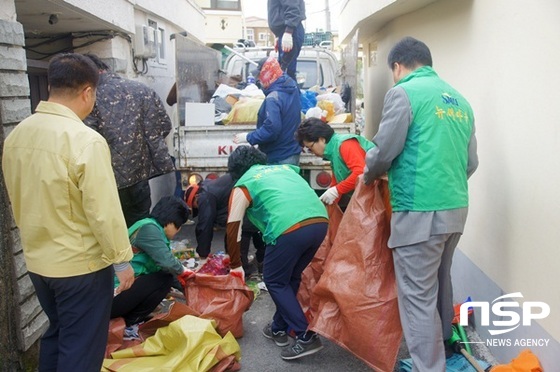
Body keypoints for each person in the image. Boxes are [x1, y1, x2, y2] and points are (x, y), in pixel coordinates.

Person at [2, 53, 134, 371]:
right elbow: (103, 210)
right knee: (81, 348)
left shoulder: (17, 135)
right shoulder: (85, 140)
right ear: (87, 91)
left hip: (38, 263)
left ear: (51, 85)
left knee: (57, 335)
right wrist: (122, 261)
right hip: (80, 266)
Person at [363, 37, 478, 371]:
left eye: (394, 72)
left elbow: (384, 151)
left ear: (398, 66)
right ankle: (444, 346)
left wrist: (367, 176)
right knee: (441, 281)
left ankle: (430, 366)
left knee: (417, 298)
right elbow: (471, 163)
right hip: (455, 209)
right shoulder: (460, 101)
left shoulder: (404, 93)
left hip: (419, 212)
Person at [225, 146, 328, 360]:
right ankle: (278, 327)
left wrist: (236, 265)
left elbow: (233, 227)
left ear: (234, 170)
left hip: (288, 228)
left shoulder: (244, 184)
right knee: (289, 278)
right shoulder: (285, 169)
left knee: (274, 280)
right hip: (319, 222)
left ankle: (305, 335)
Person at [83, 53, 175, 227]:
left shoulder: (88, 99)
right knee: (139, 230)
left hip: (108, 182)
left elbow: (85, 140)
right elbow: (165, 125)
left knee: (112, 232)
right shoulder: (143, 90)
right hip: (139, 179)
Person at [111, 196, 191, 340]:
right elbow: (168, 264)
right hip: (113, 294)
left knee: (164, 278)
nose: (178, 231)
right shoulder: (149, 229)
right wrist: (186, 273)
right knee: (163, 280)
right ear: (171, 221)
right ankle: (129, 324)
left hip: (118, 292)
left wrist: (189, 288)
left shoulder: (150, 227)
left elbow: (165, 268)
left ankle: (128, 321)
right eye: (179, 226)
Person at [183, 174, 266, 277]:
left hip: (244, 215)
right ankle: (263, 266)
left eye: (196, 206)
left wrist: (203, 256)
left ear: (196, 197)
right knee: (260, 237)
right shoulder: (212, 186)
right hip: (256, 209)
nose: (198, 209)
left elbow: (205, 226)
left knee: (238, 249)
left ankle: (243, 275)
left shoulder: (204, 196)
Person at [233, 57, 302, 166]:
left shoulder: (273, 98)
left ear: (267, 73)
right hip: (292, 152)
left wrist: (248, 137)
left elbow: (272, 129)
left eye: (260, 76)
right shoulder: (291, 87)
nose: (259, 80)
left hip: (278, 157)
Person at [295, 117, 375, 210]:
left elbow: (361, 173)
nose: (311, 151)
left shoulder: (345, 144)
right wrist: (325, 205)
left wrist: (336, 190)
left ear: (322, 139)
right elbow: (336, 182)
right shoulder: (333, 152)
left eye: (311, 147)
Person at [267, 0, 306, 81]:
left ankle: (291, 92)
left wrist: (288, 31)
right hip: (286, 31)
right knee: (284, 72)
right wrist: (278, 34)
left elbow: (293, 8)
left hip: (291, 31)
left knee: (286, 74)